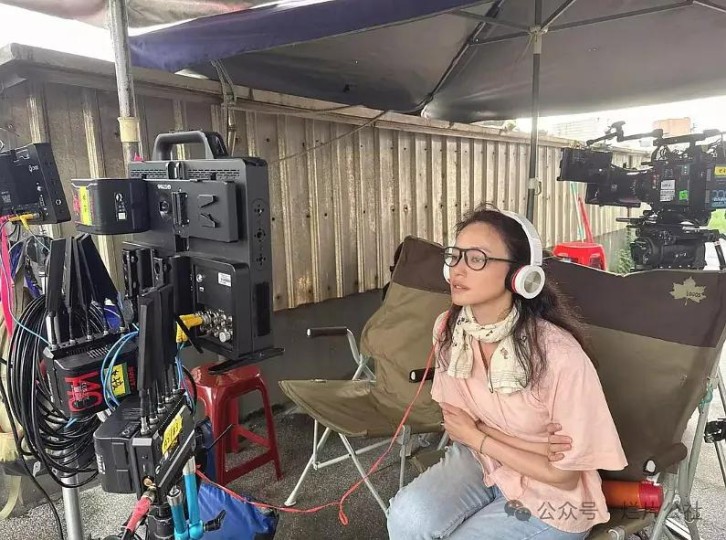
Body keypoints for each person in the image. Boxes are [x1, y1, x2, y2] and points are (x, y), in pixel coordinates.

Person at [387, 206, 627, 539]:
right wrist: (536, 447)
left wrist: (479, 435)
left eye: (477, 259)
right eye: (455, 256)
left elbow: (563, 475)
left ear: (520, 275)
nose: (457, 269)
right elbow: (457, 425)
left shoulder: (559, 355)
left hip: (554, 497)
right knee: (406, 518)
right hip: (481, 462)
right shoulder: (449, 330)